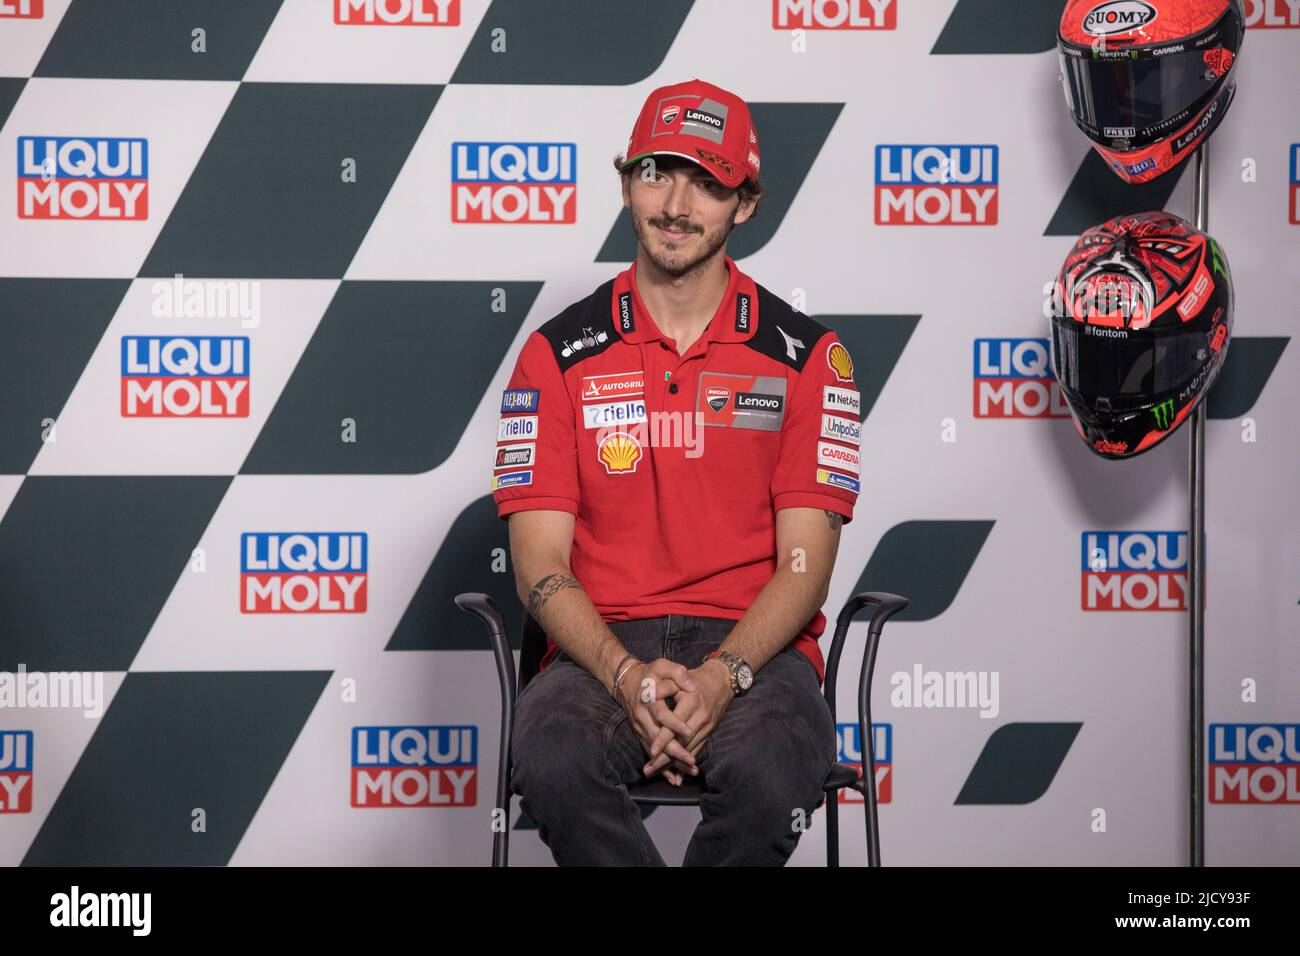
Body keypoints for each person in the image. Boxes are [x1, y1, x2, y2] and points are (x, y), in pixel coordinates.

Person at [490, 78, 863, 866]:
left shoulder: (810, 361)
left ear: (746, 202)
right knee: (554, 756)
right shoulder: (554, 355)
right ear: (626, 182)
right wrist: (626, 677)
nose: (676, 204)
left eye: (707, 181)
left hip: (757, 651)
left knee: (773, 767)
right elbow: (537, 566)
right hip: (602, 647)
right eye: (658, 172)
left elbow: (806, 568)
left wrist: (723, 677)